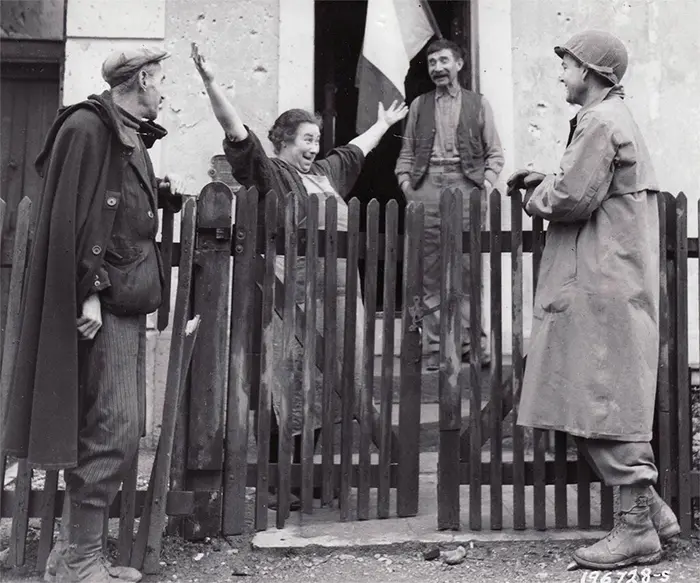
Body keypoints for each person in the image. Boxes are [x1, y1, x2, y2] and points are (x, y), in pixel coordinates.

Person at [191, 44, 408, 508]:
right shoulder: (272, 175)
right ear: (285, 142)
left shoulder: (327, 172)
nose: (314, 147)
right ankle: (281, 485)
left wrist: (385, 125)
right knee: (291, 383)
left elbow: (355, 151)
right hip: (296, 294)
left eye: (316, 139)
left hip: (344, 295)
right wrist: (211, 83)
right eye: (306, 139)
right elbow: (236, 133)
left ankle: (312, 478)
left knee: (336, 386)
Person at [2, 47, 186, 582]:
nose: (164, 92)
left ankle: (72, 555)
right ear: (144, 77)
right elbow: (74, 218)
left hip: (125, 300)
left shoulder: (126, 132)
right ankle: (80, 559)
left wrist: (160, 196)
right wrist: (87, 292)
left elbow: (115, 206)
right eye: (161, 81)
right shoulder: (88, 126)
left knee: (117, 429)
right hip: (103, 304)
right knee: (116, 429)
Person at [508, 30, 680, 570]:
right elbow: (587, 186)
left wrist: (538, 191)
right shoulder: (608, 121)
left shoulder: (601, 121)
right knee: (590, 394)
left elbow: (570, 197)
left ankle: (634, 532)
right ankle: (651, 513)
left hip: (600, 285)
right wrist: (550, 177)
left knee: (599, 398)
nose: (560, 74)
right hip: (607, 282)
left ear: (591, 72)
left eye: (567, 65)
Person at [395, 38, 504, 371]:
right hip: (426, 188)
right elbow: (407, 154)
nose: (437, 68)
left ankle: (473, 346)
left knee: (469, 270)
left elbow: (495, 155)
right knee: (429, 272)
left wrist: (483, 185)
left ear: (459, 63)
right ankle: (436, 348)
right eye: (431, 63)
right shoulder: (419, 105)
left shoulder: (479, 104)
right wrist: (408, 188)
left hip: (466, 185)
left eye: (444, 61)